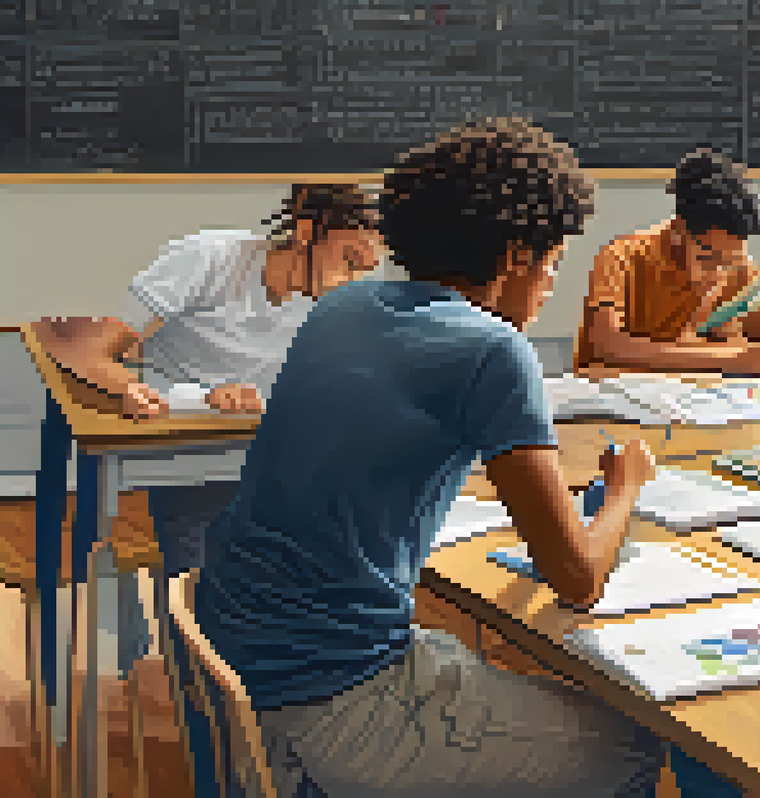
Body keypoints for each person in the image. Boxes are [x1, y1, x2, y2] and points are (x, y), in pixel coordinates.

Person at [193, 117, 662, 798]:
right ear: (514, 259)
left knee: (480, 668)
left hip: (237, 656)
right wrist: (625, 487)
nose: (552, 281)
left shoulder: (344, 307)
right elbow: (578, 579)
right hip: (333, 703)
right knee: (631, 747)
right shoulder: (494, 351)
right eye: (554, 261)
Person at [34, 184, 383, 577]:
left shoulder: (335, 303)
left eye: (366, 271)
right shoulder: (209, 258)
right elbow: (88, 350)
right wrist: (138, 390)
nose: (354, 282)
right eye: (349, 261)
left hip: (271, 445)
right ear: (305, 233)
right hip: (190, 437)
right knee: (202, 571)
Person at [574, 147, 760, 376]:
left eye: (730, 262)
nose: (716, 275)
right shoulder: (622, 257)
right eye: (707, 259)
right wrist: (728, 357)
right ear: (679, 229)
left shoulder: (739, 268)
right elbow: (608, 345)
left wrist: (758, 353)